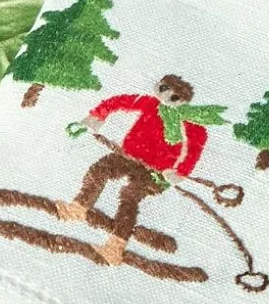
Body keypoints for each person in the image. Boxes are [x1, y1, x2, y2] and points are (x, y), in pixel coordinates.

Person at [62, 74, 208, 265]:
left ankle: (115, 245)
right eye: (163, 89)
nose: (165, 98)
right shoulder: (150, 103)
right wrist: (98, 115)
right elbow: (121, 101)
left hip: (155, 173)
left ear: (182, 101)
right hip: (128, 157)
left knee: (129, 197)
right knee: (100, 169)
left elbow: (195, 145)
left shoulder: (188, 122)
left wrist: (180, 171)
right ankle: (79, 206)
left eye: (173, 98)